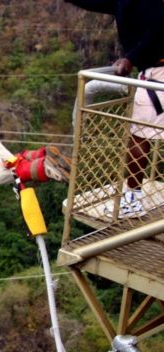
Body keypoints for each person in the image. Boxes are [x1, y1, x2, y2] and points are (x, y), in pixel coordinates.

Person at [65, 0, 164, 216]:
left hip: (158, 73)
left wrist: (130, 58)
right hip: (154, 71)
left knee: (138, 136)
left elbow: (159, 25)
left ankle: (132, 201)